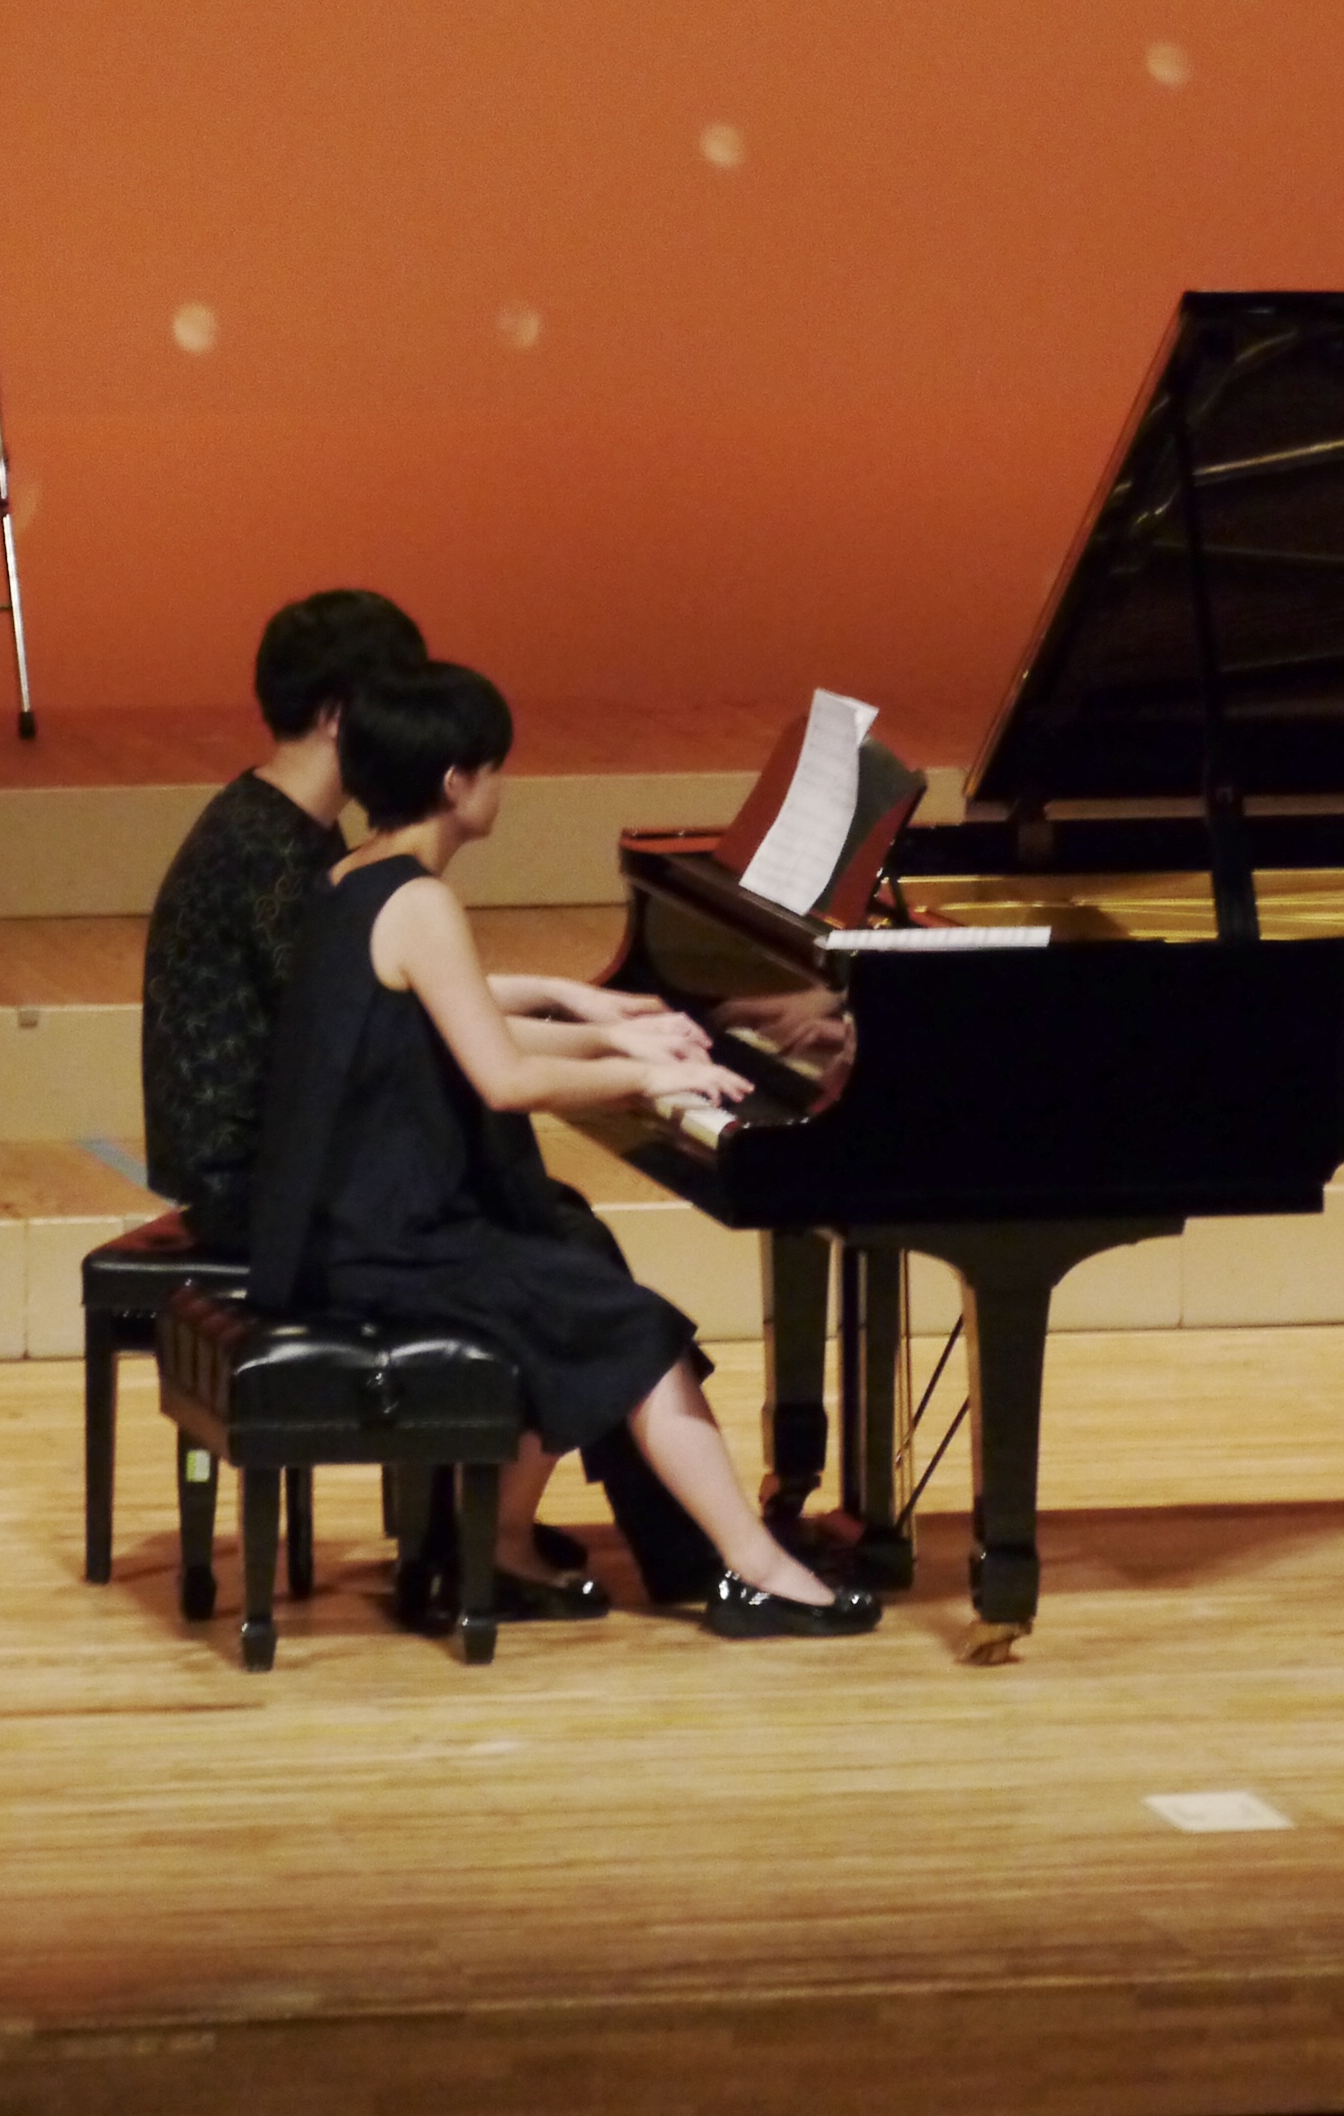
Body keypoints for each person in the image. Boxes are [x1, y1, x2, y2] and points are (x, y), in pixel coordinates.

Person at [137, 590, 829, 1612]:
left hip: (334, 1207)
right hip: (339, 1219)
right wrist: (643, 1068)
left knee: (567, 1267)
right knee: (607, 1307)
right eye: (496, 768)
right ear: (454, 778)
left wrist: (603, 1025)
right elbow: (494, 1071)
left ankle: (501, 1544)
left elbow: (421, 1016)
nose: (506, 784)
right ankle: (724, 1563)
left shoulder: (347, 870)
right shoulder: (366, 880)